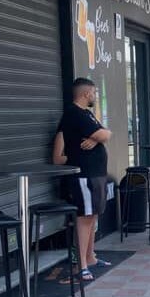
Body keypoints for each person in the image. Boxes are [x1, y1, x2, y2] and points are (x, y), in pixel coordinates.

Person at [54, 78, 113, 281]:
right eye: (94, 93)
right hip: (85, 175)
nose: (95, 96)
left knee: (92, 216)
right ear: (87, 93)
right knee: (85, 217)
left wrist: (96, 137)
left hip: (96, 174)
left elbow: (107, 133)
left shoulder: (86, 114)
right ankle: (82, 264)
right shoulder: (74, 113)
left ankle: (91, 257)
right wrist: (99, 136)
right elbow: (104, 135)